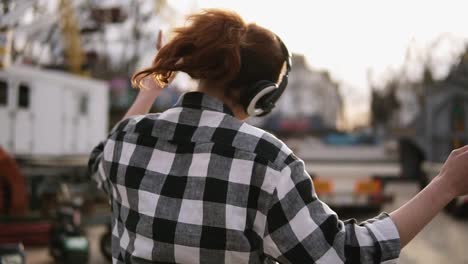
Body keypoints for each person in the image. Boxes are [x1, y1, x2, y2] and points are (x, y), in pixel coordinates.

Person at [88, 9, 468, 264]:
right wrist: (446, 185)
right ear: (264, 96)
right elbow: (344, 254)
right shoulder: (266, 161)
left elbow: (97, 162)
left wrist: (150, 90)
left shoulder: (126, 139)